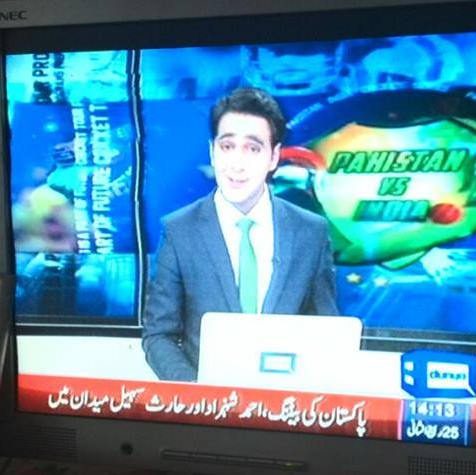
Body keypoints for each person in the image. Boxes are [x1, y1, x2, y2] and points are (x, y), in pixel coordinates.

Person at [142, 87, 339, 382]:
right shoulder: (179, 230)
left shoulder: (310, 232)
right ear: (212, 151)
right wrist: (196, 392)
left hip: (285, 401)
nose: (236, 164)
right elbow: (159, 335)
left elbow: (326, 333)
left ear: (274, 157)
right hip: (205, 403)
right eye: (227, 146)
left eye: (253, 148)